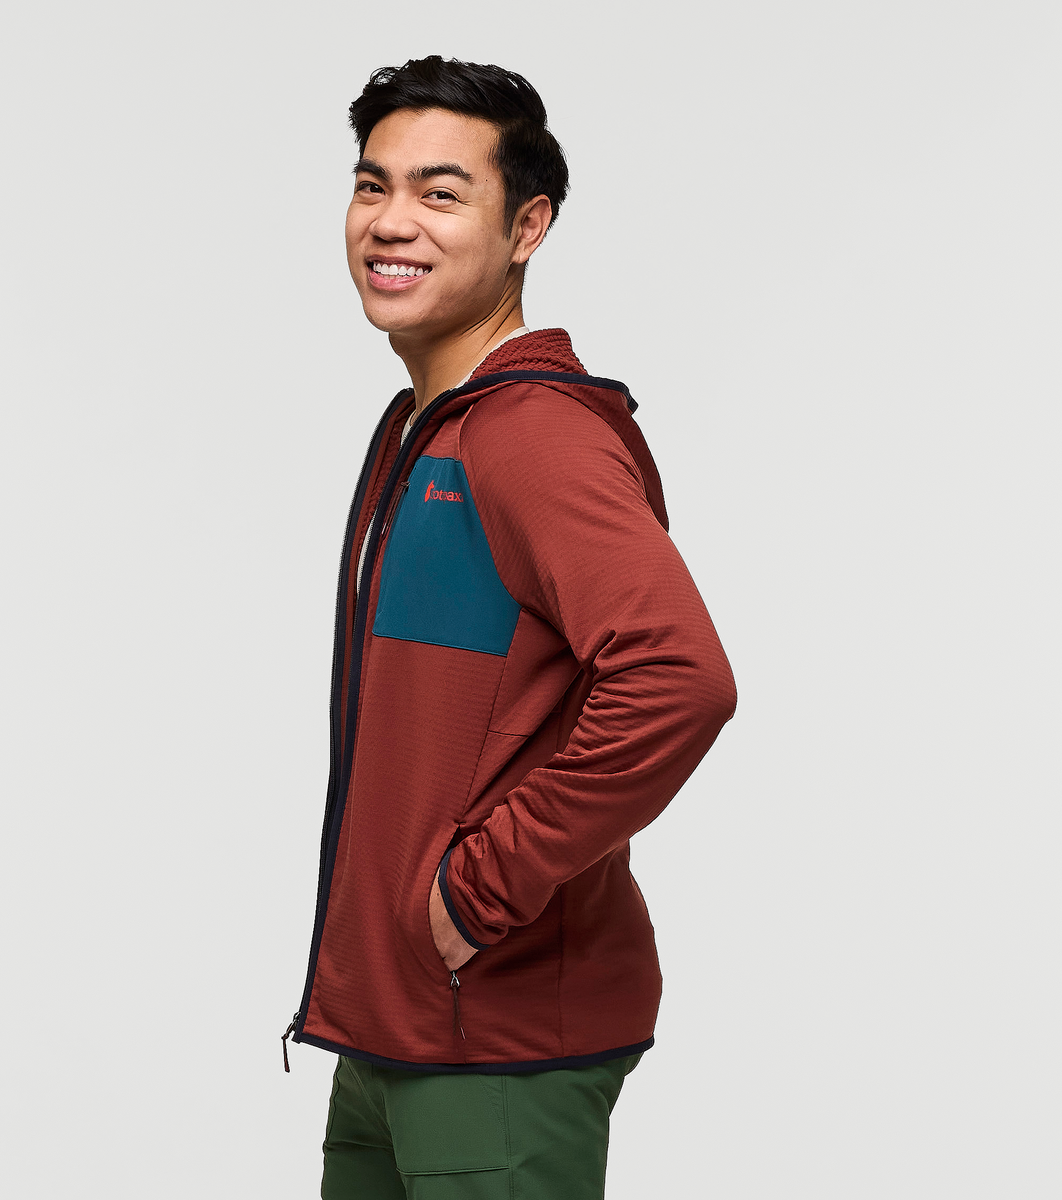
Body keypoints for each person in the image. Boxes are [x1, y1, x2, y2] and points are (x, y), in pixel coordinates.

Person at [282, 55, 737, 1199]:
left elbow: (678, 678)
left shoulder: (531, 434)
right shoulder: (424, 429)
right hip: (391, 1030)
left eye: (440, 193)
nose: (392, 222)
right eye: (372, 184)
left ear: (528, 226)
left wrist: (477, 892)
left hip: (495, 1043)